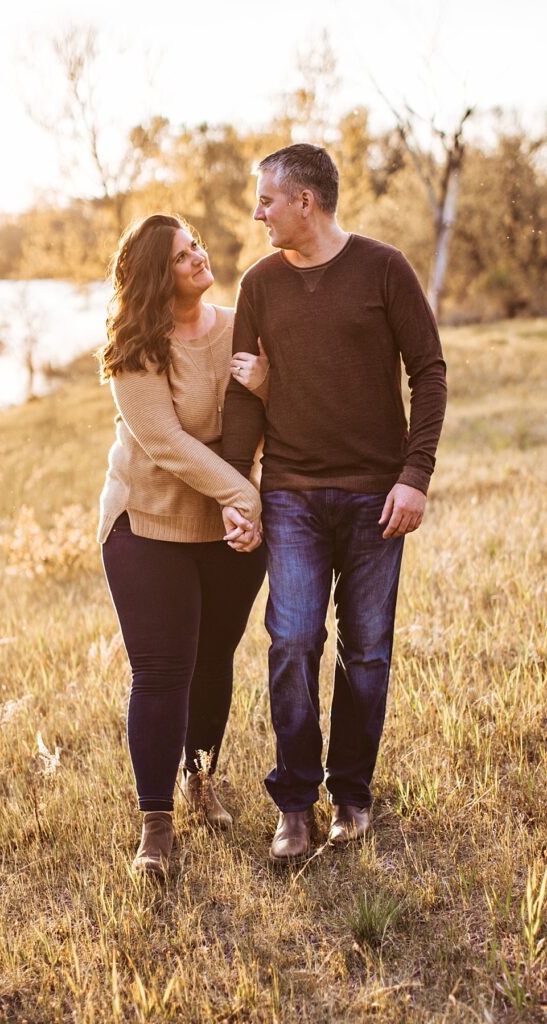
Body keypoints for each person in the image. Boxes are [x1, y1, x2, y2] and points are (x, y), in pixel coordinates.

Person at [221, 144, 447, 863]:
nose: (257, 212)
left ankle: (351, 794)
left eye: (265, 200)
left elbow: (429, 372)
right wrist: (237, 492)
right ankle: (294, 802)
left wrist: (415, 475)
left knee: (367, 652)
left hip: (377, 495)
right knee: (291, 641)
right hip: (289, 492)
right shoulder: (259, 284)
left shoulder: (383, 269)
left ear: (304, 202)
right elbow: (241, 395)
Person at [98, 214, 268, 880]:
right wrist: (245, 497)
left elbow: (267, 413)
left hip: (230, 531)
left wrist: (266, 386)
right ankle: (156, 825)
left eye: (195, 244)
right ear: (152, 277)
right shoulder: (135, 345)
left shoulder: (239, 327)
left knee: (214, 660)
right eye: (179, 255)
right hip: (148, 525)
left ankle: (200, 780)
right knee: (164, 671)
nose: (198, 256)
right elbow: (164, 443)